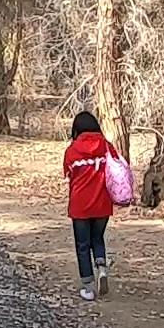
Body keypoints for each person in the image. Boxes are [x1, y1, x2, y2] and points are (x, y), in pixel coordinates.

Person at [62, 110, 120, 301]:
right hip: (103, 203)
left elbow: (68, 173)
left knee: (82, 245)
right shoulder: (107, 146)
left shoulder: (72, 150)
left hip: (80, 204)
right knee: (97, 238)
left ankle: (88, 287)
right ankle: (102, 268)